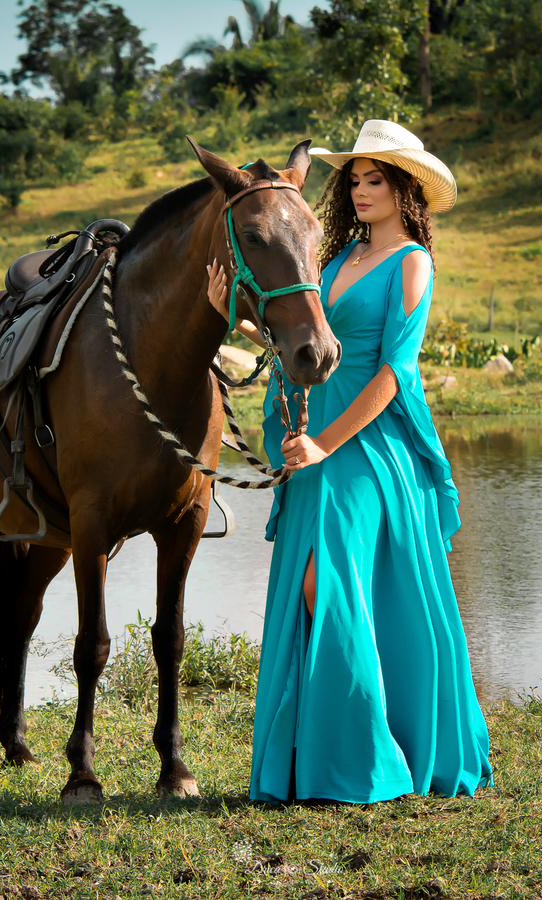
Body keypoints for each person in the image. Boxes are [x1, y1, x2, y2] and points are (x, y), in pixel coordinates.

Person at [206, 119, 492, 803]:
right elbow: (303, 342)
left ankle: (368, 760)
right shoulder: (337, 260)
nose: (361, 191)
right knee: (320, 591)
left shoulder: (412, 261)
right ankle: (329, 760)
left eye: (375, 181)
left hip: (365, 446)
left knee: (324, 586)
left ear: (404, 189)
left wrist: (328, 443)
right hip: (309, 444)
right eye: (355, 180)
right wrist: (237, 319)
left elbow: (395, 372)